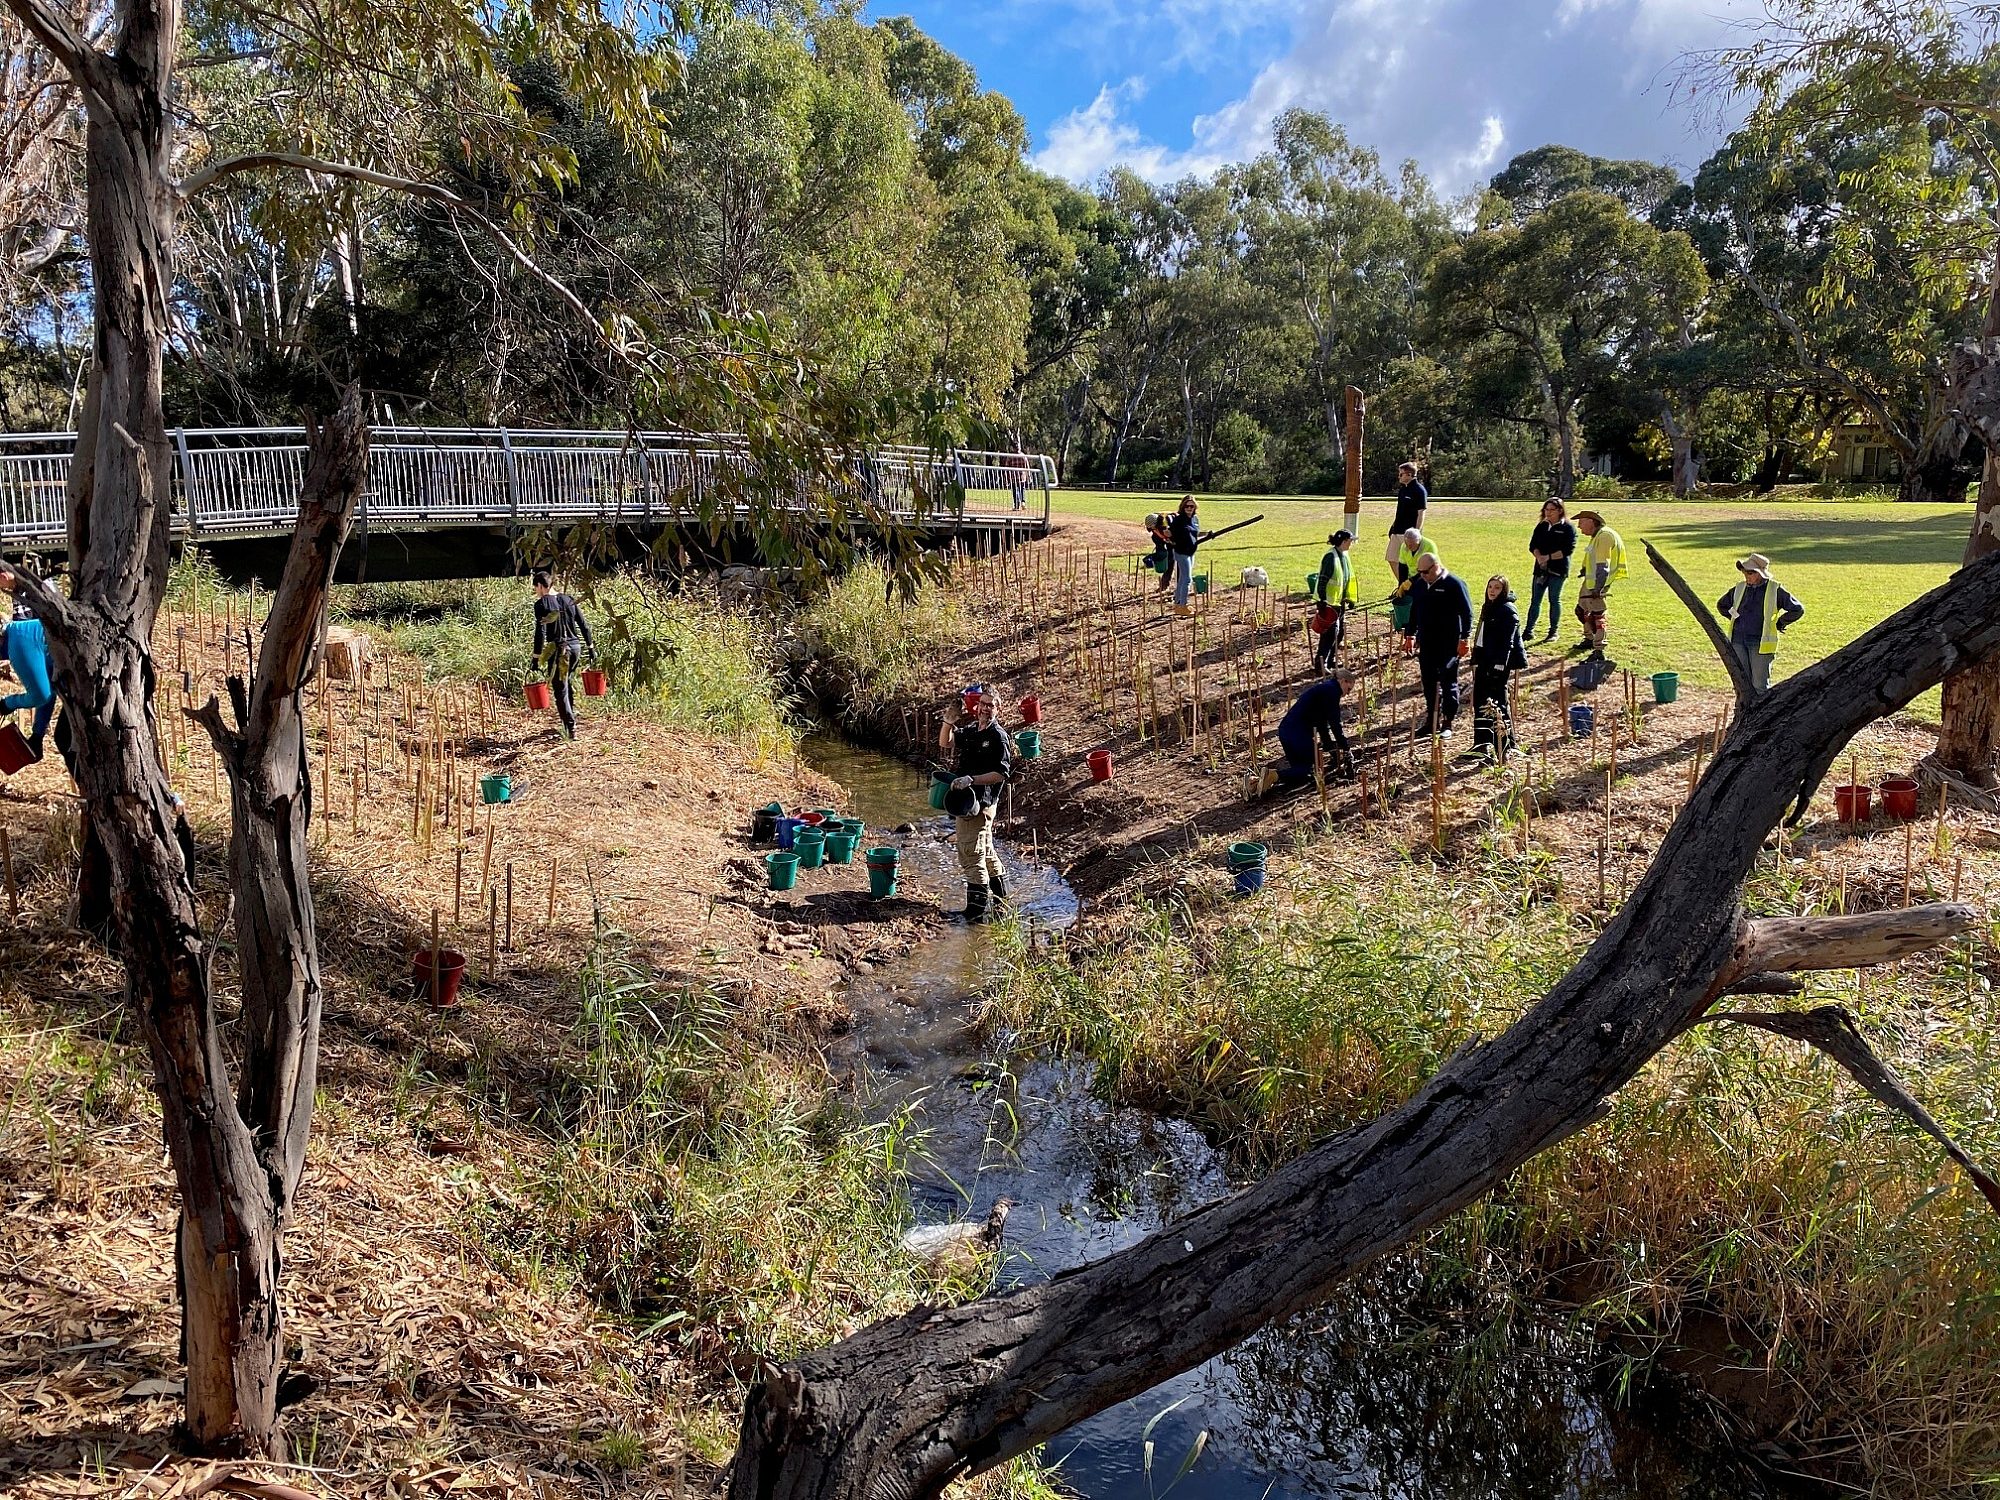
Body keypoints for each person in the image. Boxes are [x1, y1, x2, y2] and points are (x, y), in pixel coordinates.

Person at [935, 684, 1013, 921]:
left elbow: (1002, 773)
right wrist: (948, 721)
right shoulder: (971, 730)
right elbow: (945, 743)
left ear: (998, 709)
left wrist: (972, 779)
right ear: (977, 706)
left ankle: (975, 913)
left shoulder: (998, 737)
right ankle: (1002, 903)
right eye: (983, 704)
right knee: (985, 851)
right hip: (969, 801)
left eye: (991, 705)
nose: (985, 709)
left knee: (970, 853)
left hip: (981, 803)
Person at [1256, 668, 1357, 796]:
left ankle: (1255, 783)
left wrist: (1331, 750)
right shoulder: (1332, 691)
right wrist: (1346, 748)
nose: (1347, 694)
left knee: (1299, 772)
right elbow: (1334, 723)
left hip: (1286, 731)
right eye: (1349, 689)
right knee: (1308, 770)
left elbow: (1322, 724)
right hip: (1298, 734)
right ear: (1343, 681)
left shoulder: (1324, 689)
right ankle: (1273, 775)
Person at [1716, 552, 1804, 696]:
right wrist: (1735, 618)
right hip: (1738, 641)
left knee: (1759, 686)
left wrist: (1780, 623)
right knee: (1741, 684)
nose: (1746, 576)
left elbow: (1797, 609)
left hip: (1760, 644)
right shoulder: (1739, 588)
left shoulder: (1775, 589)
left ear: (1760, 573)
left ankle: (1762, 716)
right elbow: (1722, 605)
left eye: (1750, 573)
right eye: (1745, 572)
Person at [1408, 550, 1473, 738]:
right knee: (1428, 682)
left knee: (1448, 681)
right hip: (1427, 642)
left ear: (1436, 567)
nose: (1422, 576)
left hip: (1448, 643)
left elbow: (1467, 613)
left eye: (1425, 572)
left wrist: (1464, 638)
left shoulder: (1454, 584)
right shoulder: (1421, 584)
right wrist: (1410, 634)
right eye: (1419, 572)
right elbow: (1415, 610)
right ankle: (1431, 720)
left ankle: (1447, 722)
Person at [530, 569, 596, 739]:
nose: (536, 593)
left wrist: (536, 657)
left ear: (540, 586)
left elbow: (540, 633)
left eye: (536, 589)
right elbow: (584, 625)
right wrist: (590, 647)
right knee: (566, 682)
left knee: (560, 690)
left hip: (560, 650)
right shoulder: (568, 599)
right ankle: (570, 720)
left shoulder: (542, 604)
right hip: (576, 648)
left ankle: (570, 728)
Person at [0, 563, 54, 759]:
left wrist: (8, 704)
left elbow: (41, 696)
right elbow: (49, 692)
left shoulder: (20, 640)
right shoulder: (21, 635)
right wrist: (37, 737)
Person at [1470, 574, 1528, 756]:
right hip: (1484, 660)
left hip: (1497, 664)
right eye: (1490, 587)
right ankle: (1482, 743)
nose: (1492, 591)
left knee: (1498, 702)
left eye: (1497, 588)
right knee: (1480, 701)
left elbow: (1507, 642)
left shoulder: (1507, 610)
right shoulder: (1489, 607)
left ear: (1504, 591)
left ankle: (1506, 744)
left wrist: (1499, 666)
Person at [1570, 510, 1626, 664]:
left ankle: (1599, 650)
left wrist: (1598, 589)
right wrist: (1584, 569)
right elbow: (1592, 557)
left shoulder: (1604, 536)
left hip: (1597, 583)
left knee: (1597, 616)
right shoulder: (1597, 536)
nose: (1579, 527)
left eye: (1581, 522)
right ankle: (1589, 638)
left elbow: (1603, 565)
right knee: (1581, 610)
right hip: (1590, 581)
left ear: (1590, 521)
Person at [1523, 498, 1576, 643]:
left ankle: (1553, 631)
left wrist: (1548, 557)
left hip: (1558, 570)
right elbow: (1533, 545)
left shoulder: (1568, 528)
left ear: (1560, 510)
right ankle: (1528, 631)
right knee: (1535, 600)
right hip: (1540, 569)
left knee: (1554, 599)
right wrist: (1539, 557)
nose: (1548, 512)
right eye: (1546, 509)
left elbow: (1567, 550)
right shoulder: (1541, 526)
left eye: (1552, 510)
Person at [1314, 529, 1358, 672]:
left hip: (1339, 602)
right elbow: (1323, 580)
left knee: (1339, 634)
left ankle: (1330, 660)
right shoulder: (1330, 557)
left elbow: (1346, 578)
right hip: (1329, 603)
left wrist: (1350, 599)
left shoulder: (1344, 555)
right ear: (1344, 542)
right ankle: (1321, 664)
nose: (1351, 543)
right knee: (1329, 635)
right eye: (1350, 541)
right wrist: (1321, 600)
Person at [1391, 527, 1439, 641]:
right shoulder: (1404, 546)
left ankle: (1421, 628)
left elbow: (1428, 569)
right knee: (1411, 600)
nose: (1409, 547)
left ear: (1419, 541)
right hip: (1413, 577)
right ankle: (1410, 626)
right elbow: (1402, 567)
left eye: (1412, 545)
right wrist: (1401, 586)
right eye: (1407, 544)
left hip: (1429, 577)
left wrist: (1411, 581)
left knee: (1422, 600)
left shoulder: (1429, 546)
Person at [1386, 461, 1428, 583]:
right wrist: (1392, 528)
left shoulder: (1419, 490)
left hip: (1409, 534)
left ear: (1409, 475)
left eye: (1401, 474)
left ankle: (1410, 587)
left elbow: (1421, 513)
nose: (1399, 477)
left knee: (1408, 563)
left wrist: (1417, 532)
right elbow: (1400, 512)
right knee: (1391, 558)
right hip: (1397, 531)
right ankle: (1403, 586)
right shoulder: (1403, 490)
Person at [1168, 494, 1201, 616]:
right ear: (1183, 506)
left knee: (1182, 578)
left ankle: (1178, 603)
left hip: (1190, 551)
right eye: (1187, 506)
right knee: (1187, 579)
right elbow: (1171, 534)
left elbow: (1195, 533)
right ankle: (1182, 605)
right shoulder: (1179, 520)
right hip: (1181, 552)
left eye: (1191, 506)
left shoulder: (1194, 519)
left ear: (1194, 507)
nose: (1189, 508)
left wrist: (1208, 534)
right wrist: (1168, 534)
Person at [1144, 512, 1173, 592]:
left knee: (1172, 559)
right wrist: (1153, 557)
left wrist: (1170, 539)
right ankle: (1163, 585)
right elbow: (1161, 552)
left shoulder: (1167, 524)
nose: (1153, 529)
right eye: (1151, 528)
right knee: (1166, 558)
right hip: (1165, 539)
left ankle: (1176, 585)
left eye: (1153, 527)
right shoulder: (1155, 534)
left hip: (1175, 540)